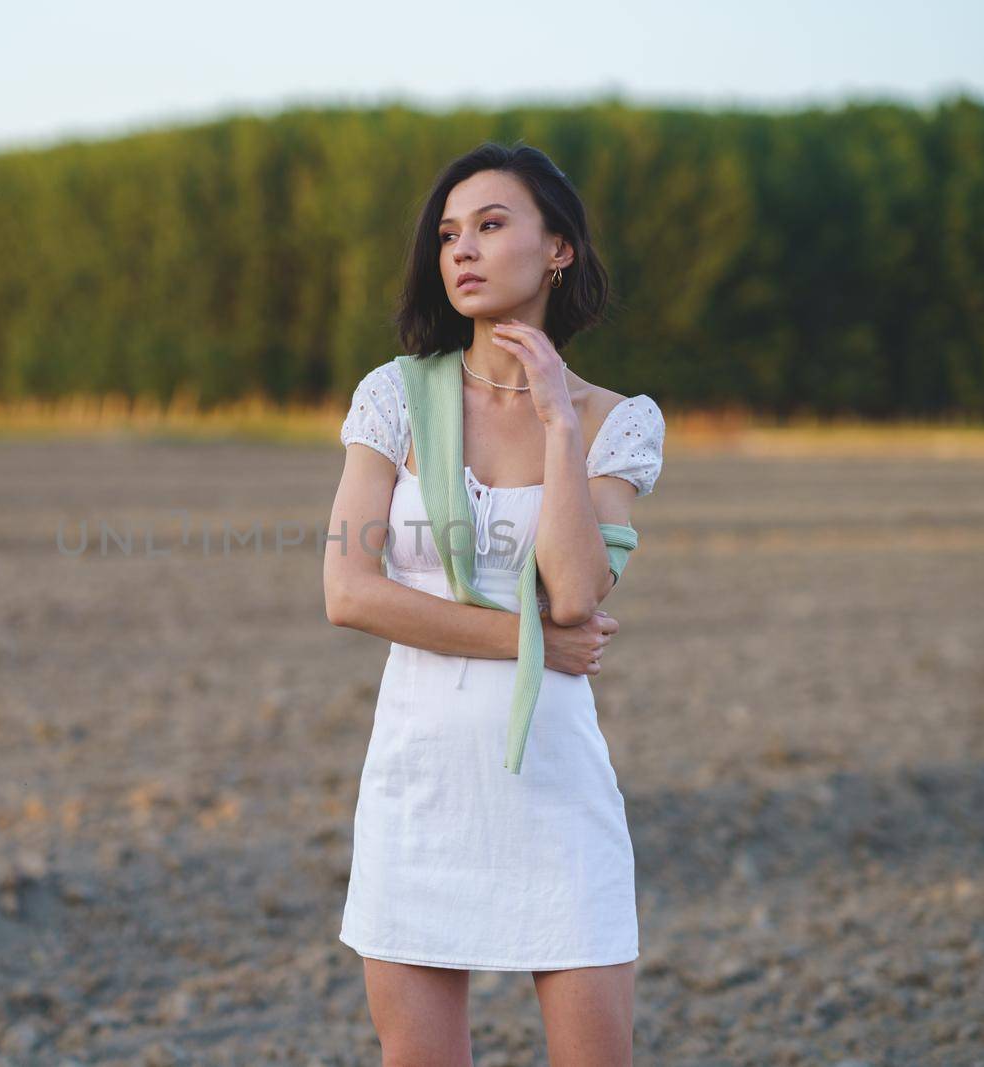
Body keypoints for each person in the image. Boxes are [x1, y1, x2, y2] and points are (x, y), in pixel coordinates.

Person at [322, 141, 666, 1067]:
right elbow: (349, 592)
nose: (461, 250)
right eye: (447, 233)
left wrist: (557, 420)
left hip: (556, 789)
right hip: (420, 788)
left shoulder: (615, 421)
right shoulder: (393, 398)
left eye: (490, 224)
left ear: (558, 248)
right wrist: (530, 647)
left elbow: (572, 592)